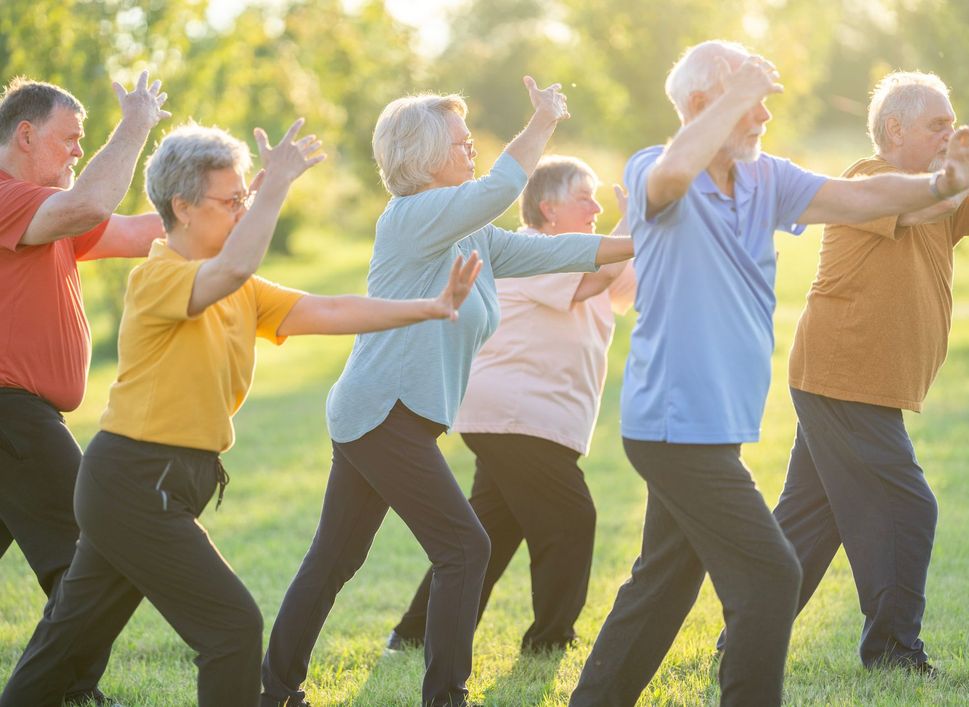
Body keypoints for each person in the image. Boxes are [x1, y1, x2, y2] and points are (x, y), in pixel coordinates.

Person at [0, 119, 483, 707]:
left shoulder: (242, 289)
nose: (240, 211)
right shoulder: (158, 278)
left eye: (244, 200)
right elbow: (227, 270)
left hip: (157, 483)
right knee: (232, 628)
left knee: (66, 642)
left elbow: (327, 308)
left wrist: (429, 307)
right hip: (134, 482)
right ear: (182, 206)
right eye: (231, 202)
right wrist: (275, 187)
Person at [568, 41, 969, 707]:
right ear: (705, 104)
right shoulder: (656, 166)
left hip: (715, 428)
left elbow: (862, 195)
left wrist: (945, 184)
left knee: (662, 584)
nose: (765, 114)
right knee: (770, 576)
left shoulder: (766, 179)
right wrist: (734, 94)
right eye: (751, 101)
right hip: (674, 427)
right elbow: (675, 174)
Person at [261, 80, 634, 707]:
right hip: (384, 413)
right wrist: (543, 118)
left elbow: (560, 253)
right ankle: (445, 697)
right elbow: (501, 188)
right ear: (425, 154)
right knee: (464, 548)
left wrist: (644, 239)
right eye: (460, 143)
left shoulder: (473, 235)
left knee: (335, 560)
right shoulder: (414, 217)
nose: (471, 150)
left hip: (388, 414)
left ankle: (271, 691)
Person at [751, 70, 969, 675]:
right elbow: (927, 203)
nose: (953, 134)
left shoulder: (945, 193)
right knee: (909, 507)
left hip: (848, 382)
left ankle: (744, 640)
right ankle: (892, 651)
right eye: (938, 126)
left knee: (809, 525)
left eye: (954, 124)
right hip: (843, 378)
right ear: (893, 131)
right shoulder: (871, 182)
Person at [387, 155, 636, 655]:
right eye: (583, 197)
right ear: (547, 209)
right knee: (571, 518)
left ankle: (415, 633)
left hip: (532, 418)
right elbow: (600, 278)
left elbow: (625, 283)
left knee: (487, 533)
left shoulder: (581, 256)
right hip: (516, 415)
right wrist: (635, 220)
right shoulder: (533, 250)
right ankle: (549, 640)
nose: (595, 206)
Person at [0, 71, 169, 706]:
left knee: (89, 559)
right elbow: (94, 206)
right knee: (97, 554)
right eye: (70, 139)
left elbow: (135, 232)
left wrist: (233, 204)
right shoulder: (9, 197)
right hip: (12, 415)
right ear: (25, 134)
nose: (78, 152)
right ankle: (68, 693)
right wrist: (135, 125)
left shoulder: (46, 216)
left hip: (20, 417)